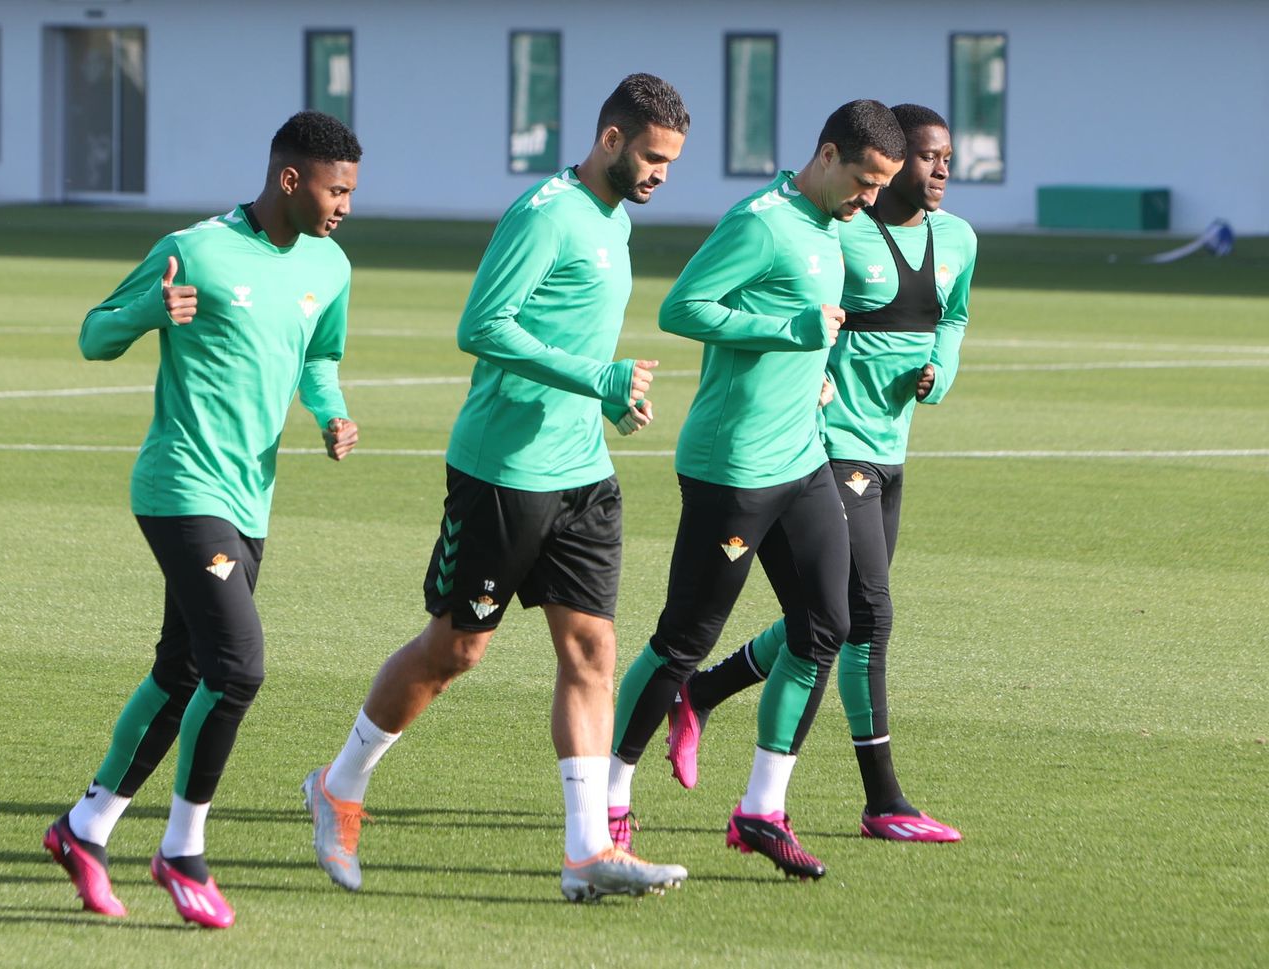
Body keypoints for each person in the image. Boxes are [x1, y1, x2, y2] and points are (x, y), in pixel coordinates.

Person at [301, 73, 690, 903]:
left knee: (590, 652)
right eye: (652, 157)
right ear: (611, 140)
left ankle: (587, 854)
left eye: (671, 163)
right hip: (503, 474)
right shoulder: (546, 214)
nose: (661, 174)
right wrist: (598, 375)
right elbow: (480, 325)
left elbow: (575, 342)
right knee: (456, 650)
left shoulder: (615, 220)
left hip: (582, 473)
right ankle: (337, 784)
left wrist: (608, 396)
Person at [41, 111, 364, 929]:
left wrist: (330, 413)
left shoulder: (330, 266)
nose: (345, 207)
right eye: (337, 189)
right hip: (181, 489)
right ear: (291, 180)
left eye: (351, 191)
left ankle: (85, 828)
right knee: (239, 665)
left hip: (249, 498)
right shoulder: (197, 249)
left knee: (180, 670)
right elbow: (92, 336)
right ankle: (182, 850)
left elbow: (319, 357)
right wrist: (153, 307)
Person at [606, 100, 906, 880]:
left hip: (802, 459)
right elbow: (684, 309)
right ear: (829, 153)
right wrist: (793, 333)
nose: (870, 199)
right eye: (865, 181)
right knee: (683, 640)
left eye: (882, 188)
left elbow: (808, 330)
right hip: (732, 466)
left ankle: (760, 811)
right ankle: (607, 799)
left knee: (826, 623)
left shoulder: (833, 230)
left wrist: (816, 382)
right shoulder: (762, 222)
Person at [660, 104, 975, 844]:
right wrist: (812, 379)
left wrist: (945, 368)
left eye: (946, 160)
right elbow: (801, 319)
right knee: (868, 617)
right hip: (830, 448)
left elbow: (953, 316)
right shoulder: (837, 233)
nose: (938, 172)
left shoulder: (957, 238)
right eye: (926, 158)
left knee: (828, 618)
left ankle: (700, 691)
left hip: (892, 449)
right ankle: (883, 802)